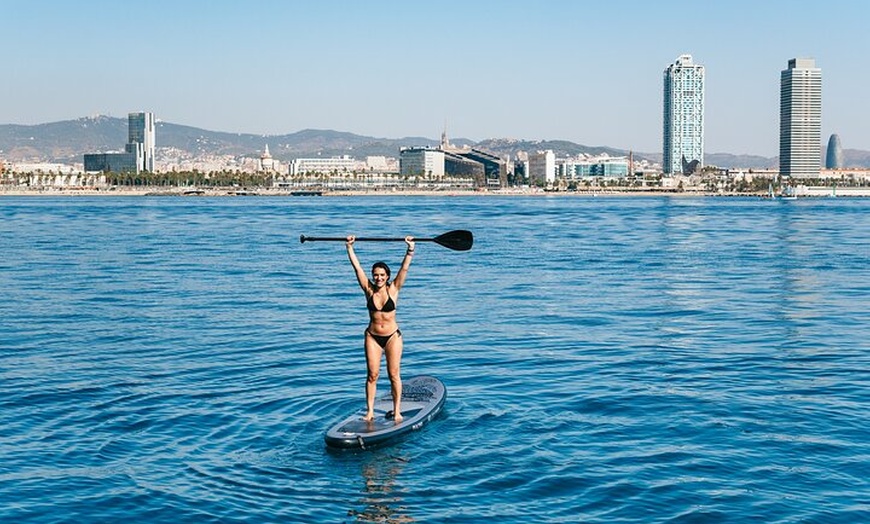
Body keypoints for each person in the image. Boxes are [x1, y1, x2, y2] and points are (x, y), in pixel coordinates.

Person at [346, 234, 415, 423]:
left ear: (387, 277)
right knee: (372, 375)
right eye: (375, 274)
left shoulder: (394, 289)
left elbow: (405, 268)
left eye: (382, 275)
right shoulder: (368, 289)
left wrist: (410, 249)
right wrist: (350, 247)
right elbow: (357, 268)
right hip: (372, 337)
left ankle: (397, 411)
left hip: (393, 336)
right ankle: (370, 412)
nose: (378, 278)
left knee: (394, 375)